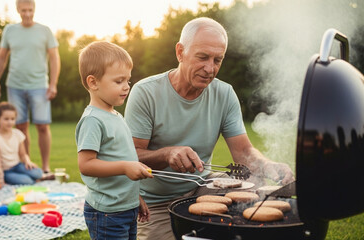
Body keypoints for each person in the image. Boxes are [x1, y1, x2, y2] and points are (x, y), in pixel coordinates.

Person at [124, 17, 295, 240]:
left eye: (217, 60)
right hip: (155, 203)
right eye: (203, 57)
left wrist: (267, 165)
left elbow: (243, 153)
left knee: (253, 188)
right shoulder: (145, 93)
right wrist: (168, 153)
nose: (210, 68)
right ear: (180, 52)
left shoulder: (224, 94)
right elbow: (131, 156)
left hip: (204, 186)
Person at [76, 41, 153, 240]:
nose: (127, 87)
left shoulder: (116, 116)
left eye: (128, 80)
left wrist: (134, 198)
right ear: (93, 82)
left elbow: (121, 158)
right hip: (107, 213)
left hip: (124, 207)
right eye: (119, 81)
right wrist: (126, 167)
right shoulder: (93, 120)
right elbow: (86, 165)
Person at [0, 0, 60, 173]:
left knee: (43, 126)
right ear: (18, 10)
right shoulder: (10, 30)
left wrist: (53, 84)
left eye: (30, 10)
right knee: (20, 127)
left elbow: (54, 58)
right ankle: (27, 164)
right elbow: (1, 57)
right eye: (24, 10)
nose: (27, 14)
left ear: (34, 10)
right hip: (15, 85)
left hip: (39, 85)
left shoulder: (45, 31)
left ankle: (45, 167)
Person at [0, 102, 53, 185]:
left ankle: (38, 177)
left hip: (17, 166)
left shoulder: (17, 134)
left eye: (12, 119)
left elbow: (23, 154)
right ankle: (35, 180)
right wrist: (0, 177)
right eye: (6, 119)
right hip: (5, 170)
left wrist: (28, 161)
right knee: (26, 181)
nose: (10, 122)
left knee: (38, 173)